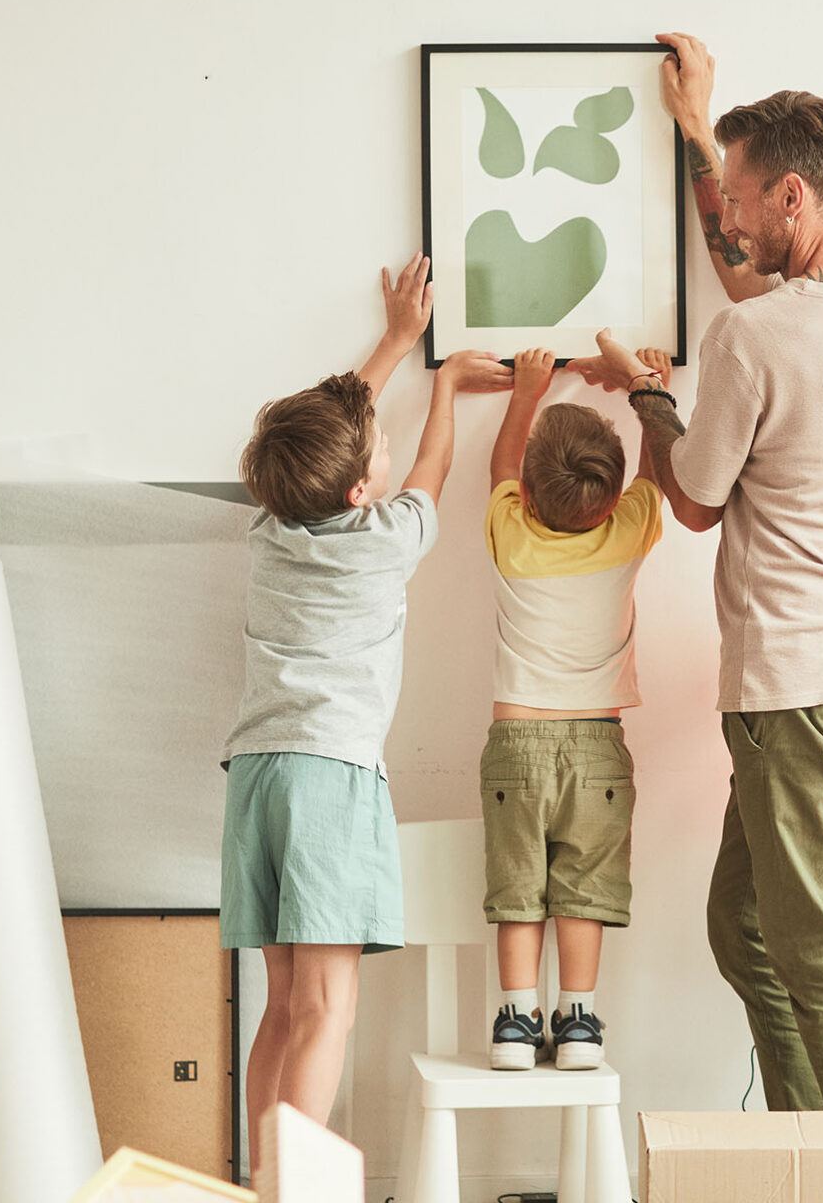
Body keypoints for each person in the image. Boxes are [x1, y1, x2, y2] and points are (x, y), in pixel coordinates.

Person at [569, 34, 823, 1110]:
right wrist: (698, 126)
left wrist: (647, 395)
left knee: (817, 945)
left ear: (791, 195)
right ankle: (807, 1141)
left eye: (738, 199)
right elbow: (761, 298)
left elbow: (693, 499)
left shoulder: (753, 340)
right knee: (744, 924)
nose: (727, 220)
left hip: (792, 681)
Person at [220, 254, 508, 1164]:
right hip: (329, 777)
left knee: (282, 1008)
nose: (385, 443)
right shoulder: (388, 537)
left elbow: (335, 434)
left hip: (255, 776)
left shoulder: (270, 529)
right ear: (357, 492)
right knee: (328, 1010)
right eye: (374, 445)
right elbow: (434, 464)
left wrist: (394, 341)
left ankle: (264, 1179)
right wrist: (445, 386)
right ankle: (296, 1188)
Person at [480, 345, 674, 1070]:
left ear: (529, 497)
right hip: (597, 745)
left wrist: (526, 392)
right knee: (583, 889)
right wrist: (653, 393)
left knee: (518, 887)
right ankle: (580, 1022)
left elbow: (501, 467)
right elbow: (656, 475)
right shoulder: (628, 531)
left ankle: (515, 1020)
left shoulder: (511, 534)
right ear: (611, 497)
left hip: (516, 742)